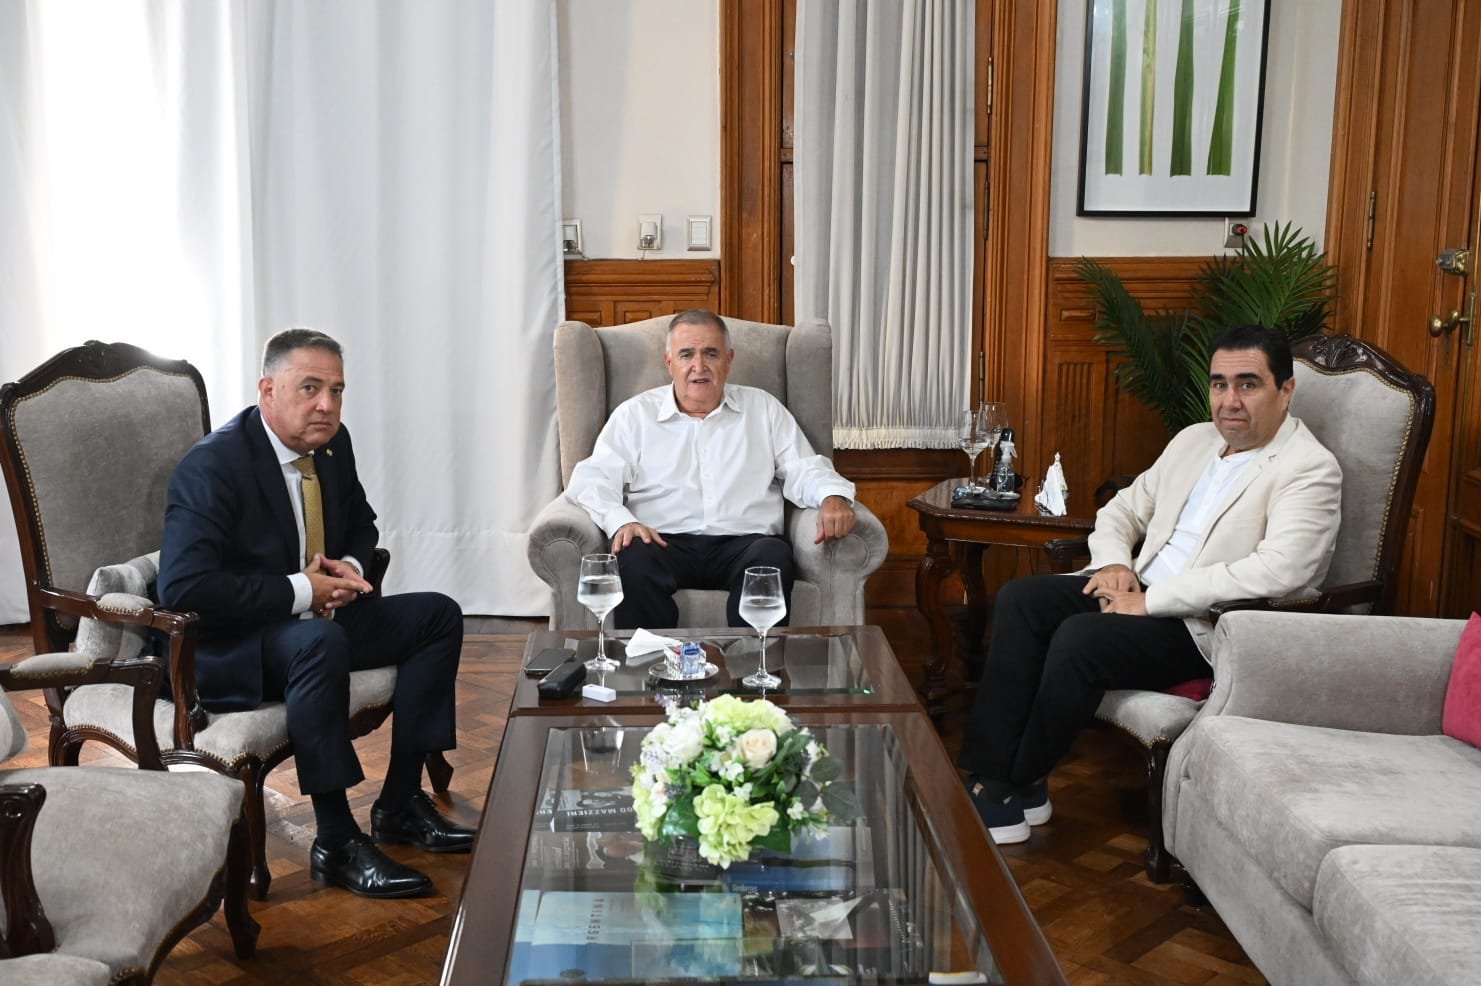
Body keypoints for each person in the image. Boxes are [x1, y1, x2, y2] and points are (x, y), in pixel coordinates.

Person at [957, 324, 1343, 844]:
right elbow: (1122, 511)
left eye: (1248, 384)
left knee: (1080, 638)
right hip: (1136, 585)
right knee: (1022, 599)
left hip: (1203, 624)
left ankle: (1009, 785)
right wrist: (1114, 564)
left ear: (1286, 390)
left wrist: (1150, 601)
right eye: (1220, 384)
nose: (1230, 400)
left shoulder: (1310, 469)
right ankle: (994, 776)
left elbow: (1281, 570)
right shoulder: (1194, 441)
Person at [159, 328, 472, 899]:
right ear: (268, 390)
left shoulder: (331, 444)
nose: (326, 404)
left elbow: (361, 523)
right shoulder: (213, 466)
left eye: (336, 390)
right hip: (237, 643)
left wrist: (347, 568)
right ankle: (335, 841)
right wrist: (303, 590)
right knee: (319, 644)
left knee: (438, 616)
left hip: (311, 624)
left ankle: (400, 802)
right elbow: (184, 587)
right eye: (309, 388)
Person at [564, 309, 858, 629]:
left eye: (711, 353)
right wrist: (621, 522)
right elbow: (591, 479)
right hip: (661, 542)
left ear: (729, 360)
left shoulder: (763, 409)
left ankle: (752, 661)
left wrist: (831, 496)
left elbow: (804, 467)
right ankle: (651, 660)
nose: (699, 366)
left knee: (773, 555)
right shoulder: (634, 416)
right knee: (632, 556)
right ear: (669, 362)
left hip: (746, 544)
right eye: (686, 354)